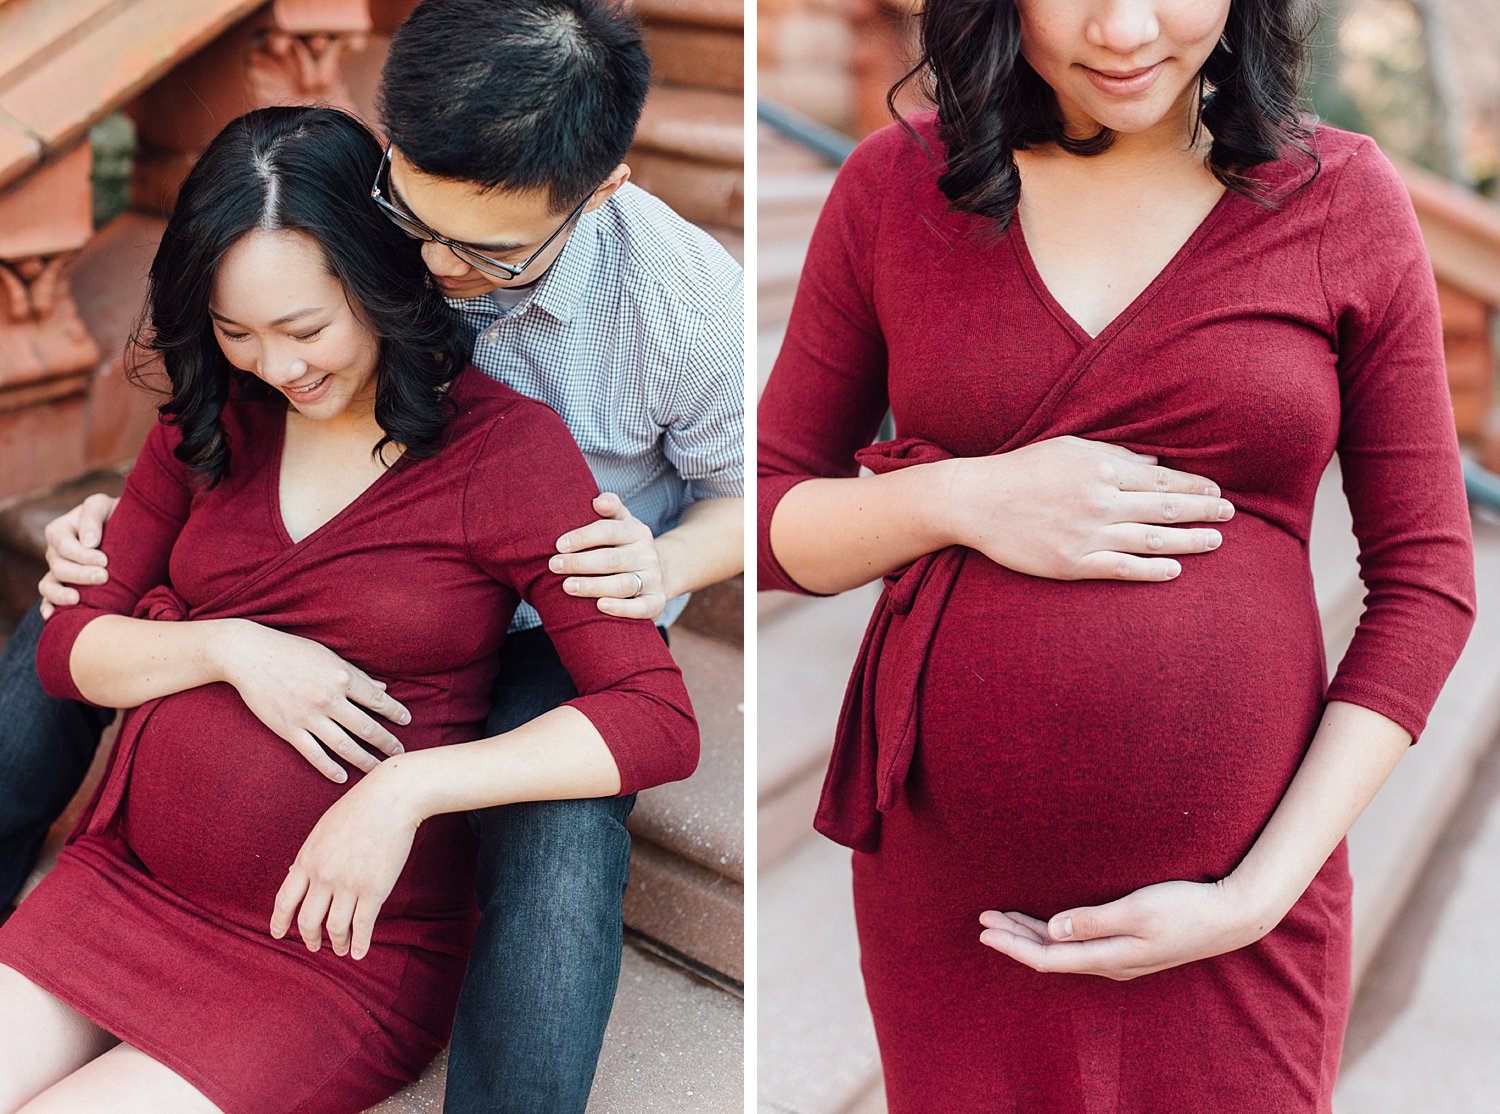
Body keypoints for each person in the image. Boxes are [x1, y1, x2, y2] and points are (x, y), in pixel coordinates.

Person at [1, 0, 743, 1110]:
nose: (435, 268)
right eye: (411, 227)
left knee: (559, 837)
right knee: (44, 642)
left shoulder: (677, 311)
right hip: (137, 887)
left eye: (480, 250)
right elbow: (79, 638)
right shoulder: (327, 248)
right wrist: (219, 637)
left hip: (579, 592)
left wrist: (668, 565)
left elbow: (749, 508)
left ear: (600, 191)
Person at [757, 1, 1475, 1110]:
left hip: (1240, 910)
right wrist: (967, 494)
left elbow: (1428, 582)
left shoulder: (1343, 199)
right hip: (955, 911)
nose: (1128, 27)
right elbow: (766, 521)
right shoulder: (895, 189)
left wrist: (1251, 898)